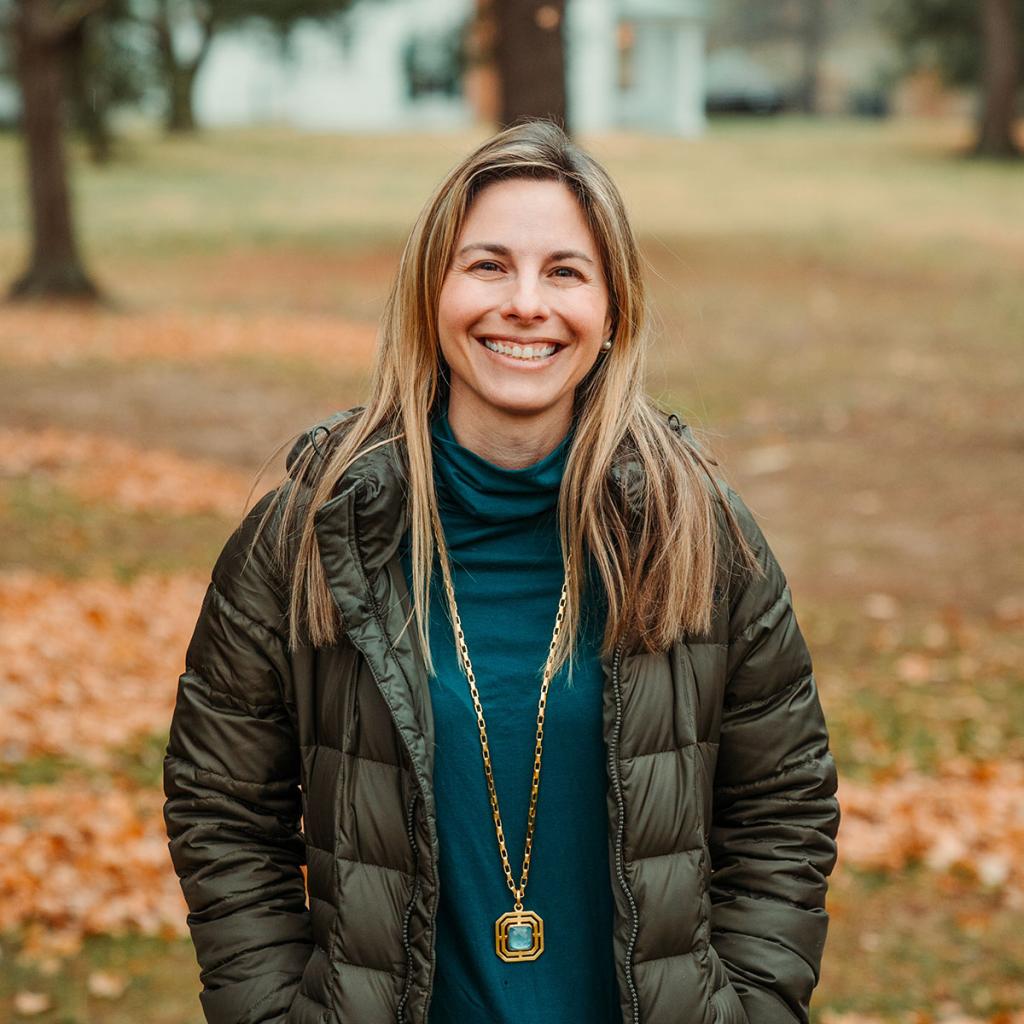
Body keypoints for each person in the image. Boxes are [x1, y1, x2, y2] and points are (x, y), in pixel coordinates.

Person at [163, 119, 841, 1024]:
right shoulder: (310, 534)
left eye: (565, 271)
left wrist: (748, 1007)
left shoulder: (700, 536)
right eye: (487, 265)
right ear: (431, 295)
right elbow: (221, 808)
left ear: (612, 313)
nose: (526, 303)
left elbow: (783, 804)